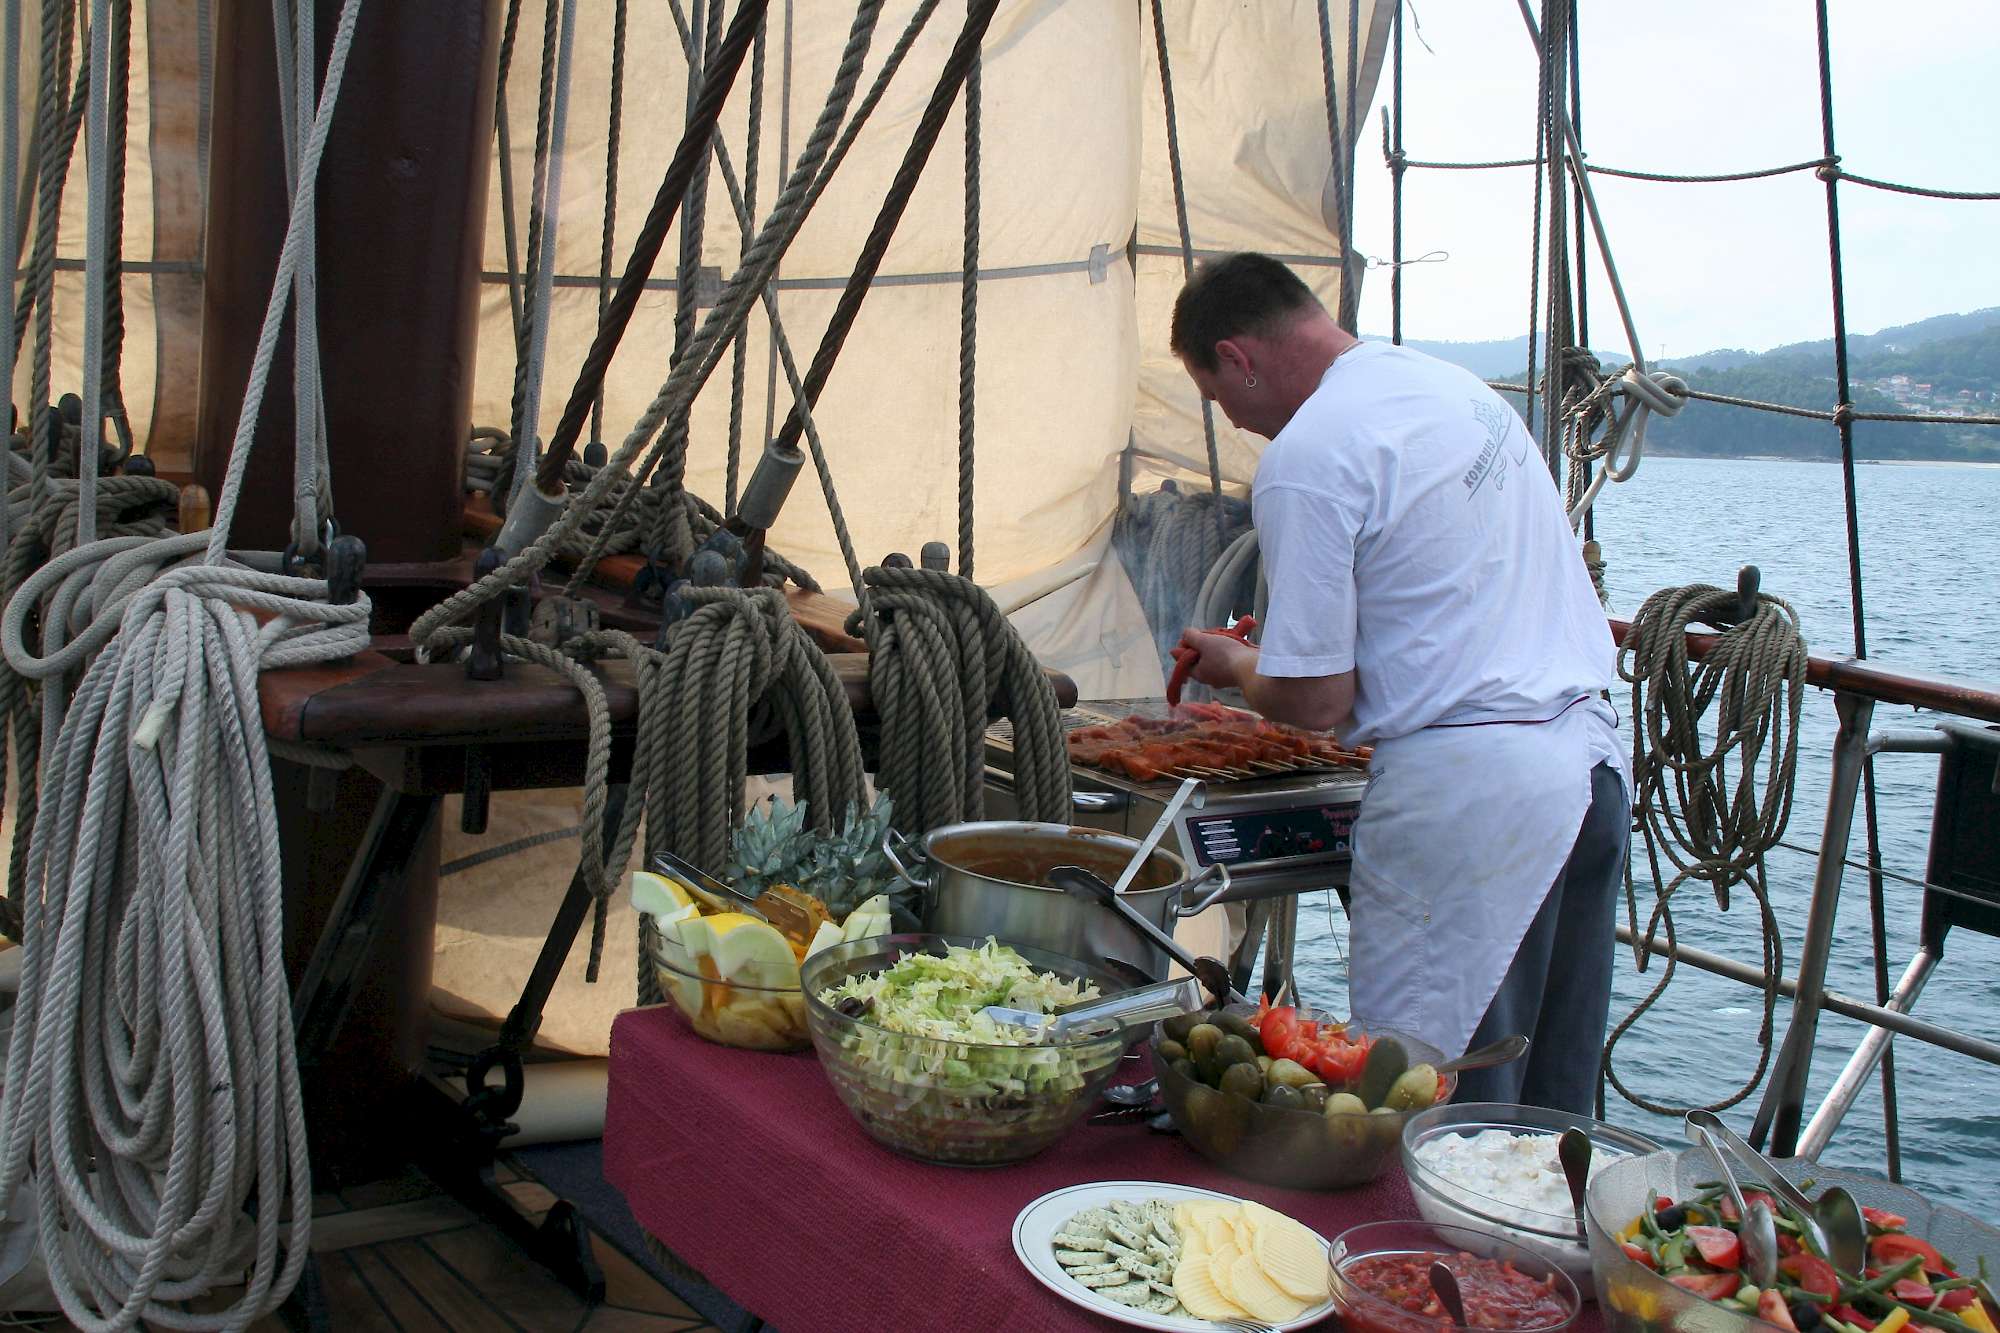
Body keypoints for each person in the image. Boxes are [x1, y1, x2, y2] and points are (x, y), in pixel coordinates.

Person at [1168, 252, 1631, 1114]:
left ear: (1238, 356)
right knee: (1549, 1118)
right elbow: (1444, 596)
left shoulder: (1308, 453)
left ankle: (1428, 1253)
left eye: (1217, 397)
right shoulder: (1452, 391)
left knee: (1438, 1111)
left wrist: (1236, 665)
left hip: (1476, 816)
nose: (1233, 422)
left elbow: (1315, 704)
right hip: (1589, 774)